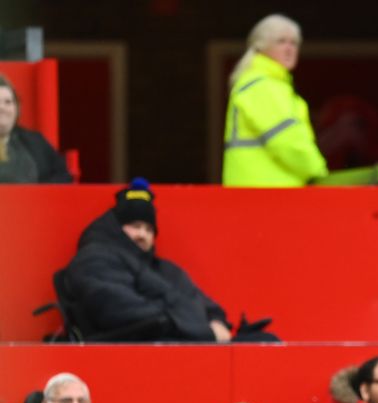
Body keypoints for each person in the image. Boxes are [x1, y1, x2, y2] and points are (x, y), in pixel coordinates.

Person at [61, 180, 275, 342]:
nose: (142, 235)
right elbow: (119, 311)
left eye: (148, 229)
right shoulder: (95, 259)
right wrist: (204, 331)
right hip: (142, 352)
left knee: (266, 342)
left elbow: (209, 307)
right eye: (135, 226)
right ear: (117, 227)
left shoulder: (165, 270)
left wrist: (217, 324)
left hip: (185, 345)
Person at [222, 14, 328, 187]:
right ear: (261, 46)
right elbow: (287, 141)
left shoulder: (269, 84)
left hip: (266, 193)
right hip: (265, 196)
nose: (289, 48)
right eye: (281, 41)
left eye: (294, 43)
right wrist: (319, 172)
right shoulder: (261, 85)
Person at [0, 75, 72, 183]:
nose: (2, 107)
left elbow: (63, 176)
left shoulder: (36, 141)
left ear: (17, 108)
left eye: (8, 102)